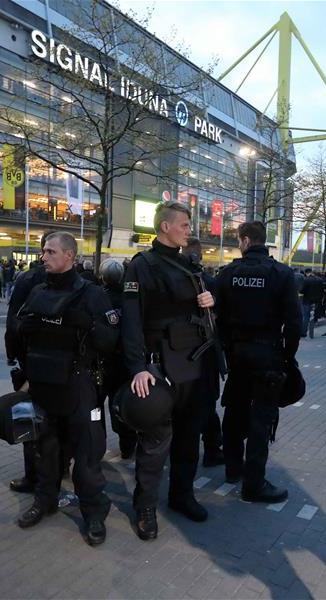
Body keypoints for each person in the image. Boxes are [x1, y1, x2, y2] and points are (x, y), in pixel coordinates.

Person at [14, 233, 117, 547]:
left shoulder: (93, 295)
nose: (44, 257)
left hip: (78, 384)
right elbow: (20, 333)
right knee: (44, 449)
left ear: (70, 255)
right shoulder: (37, 291)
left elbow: (111, 342)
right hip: (43, 383)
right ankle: (44, 500)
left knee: (86, 455)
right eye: (43, 251)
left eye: (51, 251)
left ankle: (94, 512)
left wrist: (87, 324)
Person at [121, 201, 215, 540]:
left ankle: (182, 495)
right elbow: (131, 321)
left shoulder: (190, 265)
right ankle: (145, 506)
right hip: (159, 364)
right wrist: (137, 368)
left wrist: (208, 299)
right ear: (165, 226)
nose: (189, 231)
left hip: (194, 362)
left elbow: (203, 310)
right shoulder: (142, 266)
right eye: (185, 225)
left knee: (189, 436)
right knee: (155, 441)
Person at [215, 222, 300, 503]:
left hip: (237, 355)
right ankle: (254, 484)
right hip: (268, 355)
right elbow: (294, 322)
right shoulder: (282, 274)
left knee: (234, 411)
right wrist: (287, 357)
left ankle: (232, 468)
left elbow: (219, 318)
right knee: (261, 420)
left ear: (246, 240)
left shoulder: (228, 274)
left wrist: (228, 350)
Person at [5, 237, 50, 494]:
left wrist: (12, 353)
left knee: (28, 416)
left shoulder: (28, 279)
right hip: (43, 362)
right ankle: (57, 468)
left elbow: (13, 321)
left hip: (31, 361)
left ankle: (33, 476)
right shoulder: (78, 280)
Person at [181, 238, 223, 468]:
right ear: (200, 257)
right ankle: (212, 450)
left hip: (177, 354)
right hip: (206, 352)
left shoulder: (174, 280)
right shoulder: (209, 281)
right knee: (206, 404)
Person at [98, 258, 138, 459]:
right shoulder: (128, 299)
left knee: (96, 406)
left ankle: (96, 444)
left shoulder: (97, 298)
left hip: (101, 363)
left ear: (102, 277)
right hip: (124, 362)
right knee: (123, 405)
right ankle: (128, 445)